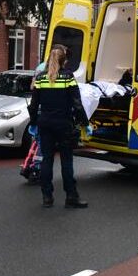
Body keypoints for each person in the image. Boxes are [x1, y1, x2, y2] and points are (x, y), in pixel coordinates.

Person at [27, 45, 89, 208]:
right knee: (66, 162)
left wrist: (33, 123)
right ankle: (71, 197)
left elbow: (34, 105)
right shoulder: (68, 77)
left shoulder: (40, 78)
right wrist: (85, 123)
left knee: (47, 160)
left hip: (45, 124)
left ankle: (47, 197)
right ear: (64, 61)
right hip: (64, 124)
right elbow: (77, 104)